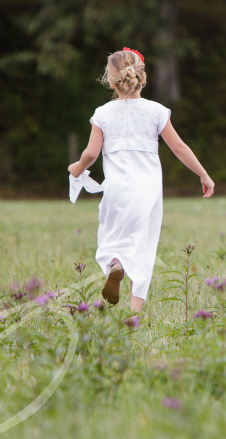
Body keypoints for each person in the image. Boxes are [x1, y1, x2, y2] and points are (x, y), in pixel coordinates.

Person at [68, 47, 215, 312]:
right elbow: (179, 147)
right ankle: (134, 313)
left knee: (111, 237)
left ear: (111, 81)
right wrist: (203, 174)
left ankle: (116, 263)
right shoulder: (156, 111)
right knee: (143, 245)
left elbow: (91, 152)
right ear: (142, 78)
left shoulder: (102, 113)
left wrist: (78, 168)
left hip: (115, 191)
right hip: (146, 193)